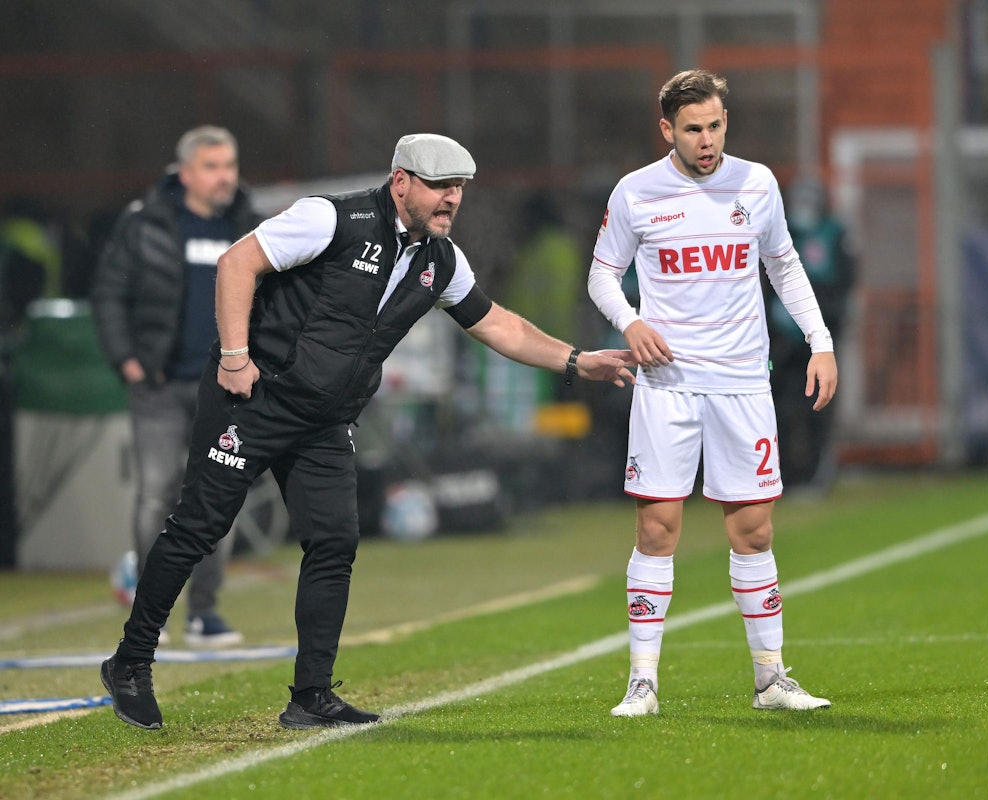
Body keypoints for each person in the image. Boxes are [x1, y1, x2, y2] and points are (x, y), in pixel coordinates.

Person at [99, 133, 636, 731]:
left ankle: (311, 696)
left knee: (334, 542)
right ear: (401, 180)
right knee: (198, 526)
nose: (450, 199)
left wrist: (575, 360)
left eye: (458, 189)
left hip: (326, 419)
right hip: (255, 397)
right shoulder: (332, 218)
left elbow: (497, 324)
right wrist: (233, 356)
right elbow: (237, 262)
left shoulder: (441, 260)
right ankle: (130, 662)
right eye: (439, 186)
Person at [587, 70, 838, 716]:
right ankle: (642, 682)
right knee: (657, 526)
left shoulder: (756, 184)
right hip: (667, 386)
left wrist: (820, 340)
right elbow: (602, 275)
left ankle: (770, 679)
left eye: (715, 126)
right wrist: (631, 322)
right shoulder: (636, 192)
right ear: (666, 129)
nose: (707, 140)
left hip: (740, 383)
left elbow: (782, 263)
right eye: (693, 129)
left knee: (753, 531)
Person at [92, 126, 261, 647]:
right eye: (211, 166)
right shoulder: (145, 223)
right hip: (160, 388)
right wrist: (127, 361)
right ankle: (153, 612)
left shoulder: (250, 226)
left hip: (225, 388)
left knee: (219, 496)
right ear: (185, 172)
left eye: (229, 165)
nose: (224, 176)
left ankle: (203, 612)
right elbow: (109, 292)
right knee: (155, 496)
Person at [767, 177, 854, 491]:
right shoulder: (778, 233)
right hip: (780, 341)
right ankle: (784, 472)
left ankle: (817, 472)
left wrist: (830, 327)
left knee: (818, 406)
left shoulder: (834, 234)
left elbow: (843, 283)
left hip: (818, 342)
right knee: (778, 404)